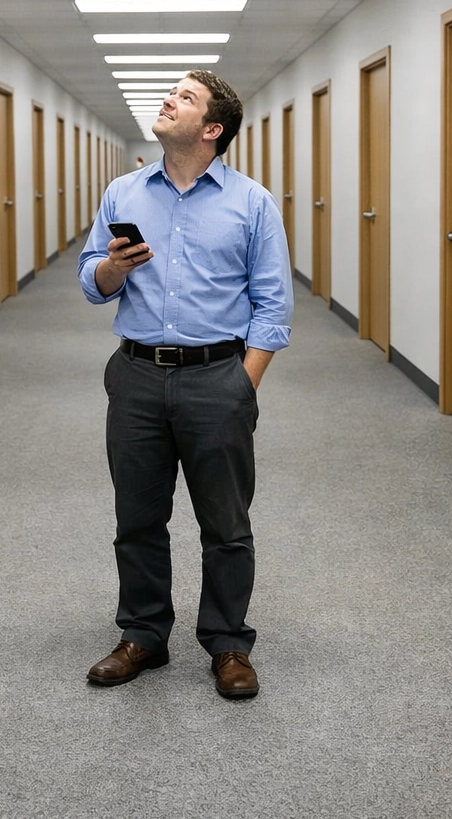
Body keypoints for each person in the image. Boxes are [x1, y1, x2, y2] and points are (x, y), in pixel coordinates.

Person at [78, 71, 292, 699]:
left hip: (217, 378)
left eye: (185, 97)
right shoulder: (124, 192)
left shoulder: (252, 203)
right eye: (171, 92)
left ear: (211, 129)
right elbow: (91, 282)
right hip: (137, 374)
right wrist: (113, 267)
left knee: (226, 523)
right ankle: (142, 635)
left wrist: (240, 387)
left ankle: (228, 643)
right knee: (137, 518)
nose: (168, 100)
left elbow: (273, 306)